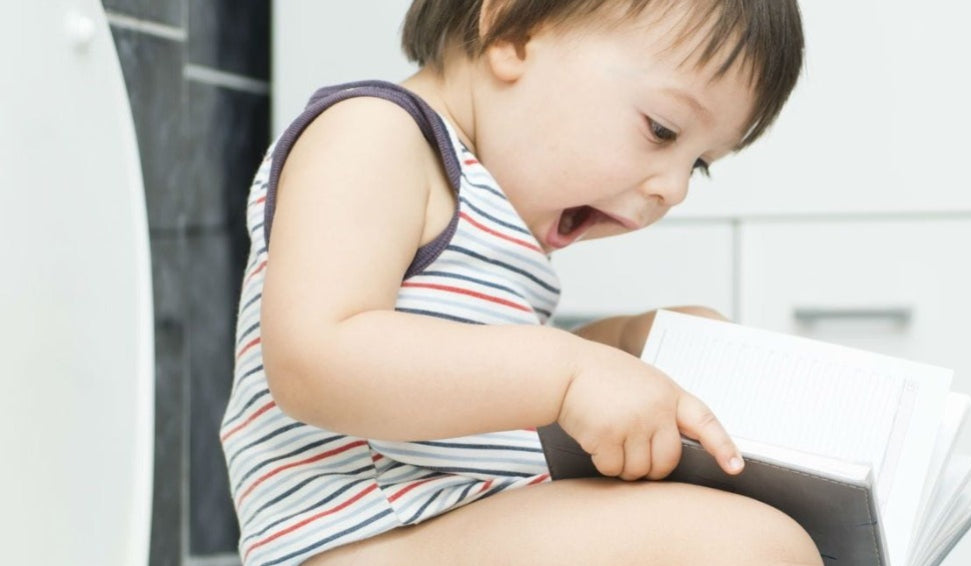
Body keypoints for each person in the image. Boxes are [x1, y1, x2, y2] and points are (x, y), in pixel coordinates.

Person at [221, 1, 818, 564]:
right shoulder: (372, 132)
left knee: (756, 530)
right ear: (512, 32)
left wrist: (626, 345)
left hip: (443, 524)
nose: (675, 190)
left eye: (700, 164)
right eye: (662, 130)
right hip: (361, 536)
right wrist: (569, 373)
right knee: (748, 547)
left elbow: (471, 358)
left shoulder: (491, 205)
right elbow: (313, 360)